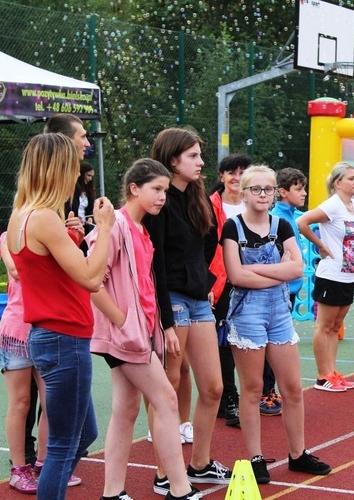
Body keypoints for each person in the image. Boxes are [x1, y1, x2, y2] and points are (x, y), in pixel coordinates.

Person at [6, 133, 115, 498]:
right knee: (64, 444)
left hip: (51, 336)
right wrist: (105, 228)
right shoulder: (43, 218)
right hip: (63, 338)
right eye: (72, 167)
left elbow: (47, 269)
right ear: (57, 169)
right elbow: (89, 277)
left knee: (83, 434)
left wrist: (71, 238)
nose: (76, 175)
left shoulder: (21, 215)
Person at [88, 159, 203, 500]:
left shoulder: (143, 230)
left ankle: (112, 493)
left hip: (140, 332)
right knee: (167, 398)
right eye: (155, 189)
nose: (161, 198)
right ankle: (179, 488)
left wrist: (159, 326)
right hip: (126, 336)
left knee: (126, 409)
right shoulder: (115, 226)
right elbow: (93, 281)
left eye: (165, 191)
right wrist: (122, 323)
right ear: (134, 188)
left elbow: (145, 285)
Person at [221, 165, 331, 484]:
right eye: (256, 189)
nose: (263, 195)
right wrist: (275, 270)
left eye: (268, 189)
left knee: (293, 388)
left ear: (274, 193)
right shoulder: (233, 228)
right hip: (247, 313)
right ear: (243, 193)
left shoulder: (282, 225)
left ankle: (298, 454)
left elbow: (297, 268)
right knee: (253, 389)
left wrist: (259, 273)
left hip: (279, 312)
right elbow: (235, 275)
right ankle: (256, 459)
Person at [143, 128, 230, 494]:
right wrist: (164, 320)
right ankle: (165, 472)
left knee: (213, 386)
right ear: (172, 159)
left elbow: (210, 242)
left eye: (200, 155)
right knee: (169, 384)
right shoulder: (158, 203)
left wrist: (205, 282)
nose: (201, 162)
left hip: (197, 298)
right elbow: (156, 264)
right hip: (172, 299)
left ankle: (200, 463)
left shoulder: (198, 198)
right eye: (193, 156)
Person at [298, 163, 354, 391]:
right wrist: (320, 245)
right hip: (330, 274)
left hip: (348, 275)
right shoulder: (331, 206)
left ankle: (332, 372)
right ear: (337, 182)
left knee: (336, 326)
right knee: (324, 326)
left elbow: (352, 236)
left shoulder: (353, 205)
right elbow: (302, 222)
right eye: (351, 178)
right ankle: (322, 376)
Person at [0, 232, 47, 494]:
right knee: (21, 401)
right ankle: (19, 470)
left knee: (52, 402)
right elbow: (15, 271)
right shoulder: (8, 237)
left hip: (46, 328)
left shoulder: (52, 235)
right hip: (16, 331)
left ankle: (46, 464)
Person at [209, 154, 250, 427]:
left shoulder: (255, 203)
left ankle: (260, 394)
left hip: (252, 279)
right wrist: (209, 283)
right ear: (222, 176)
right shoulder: (209, 205)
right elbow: (207, 248)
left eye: (242, 172)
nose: (236, 178)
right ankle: (229, 397)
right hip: (221, 282)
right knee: (224, 341)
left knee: (251, 338)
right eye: (231, 172)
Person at [265, 167, 307, 404]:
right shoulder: (280, 219)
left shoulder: (291, 215)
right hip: (279, 290)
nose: (303, 194)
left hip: (289, 290)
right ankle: (265, 391)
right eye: (298, 189)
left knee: (279, 342)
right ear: (282, 192)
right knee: (274, 344)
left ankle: (270, 389)